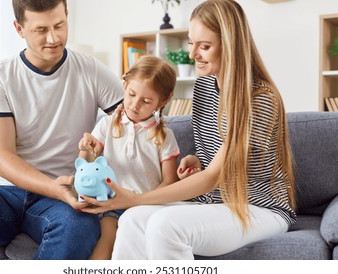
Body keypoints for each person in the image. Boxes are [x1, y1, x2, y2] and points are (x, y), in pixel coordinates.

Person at [78, 0, 297, 260]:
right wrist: (196, 162)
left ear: (231, 45)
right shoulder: (204, 87)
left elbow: (214, 176)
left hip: (260, 207)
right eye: (191, 43)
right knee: (133, 220)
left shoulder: (260, 98)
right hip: (214, 202)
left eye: (204, 46)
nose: (192, 54)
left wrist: (134, 198)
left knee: (163, 226)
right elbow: (214, 163)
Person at [0, 0, 123, 260]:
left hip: (57, 202)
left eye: (59, 25)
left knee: (79, 226)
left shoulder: (91, 70)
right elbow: (1, 158)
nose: (53, 38)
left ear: (67, 16)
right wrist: (53, 186)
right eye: (41, 30)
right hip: (0, 194)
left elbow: (136, 121)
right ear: (19, 28)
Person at [77, 55, 180, 259]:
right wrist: (87, 146)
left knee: (134, 238)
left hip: (147, 206)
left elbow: (170, 181)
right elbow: (86, 164)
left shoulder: (164, 136)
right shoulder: (107, 124)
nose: (134, 104)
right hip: (112, 205)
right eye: (131, 94)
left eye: (146, 101)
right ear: (124, 85)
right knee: (107, 238)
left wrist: (141, 203)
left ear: (164, 101)